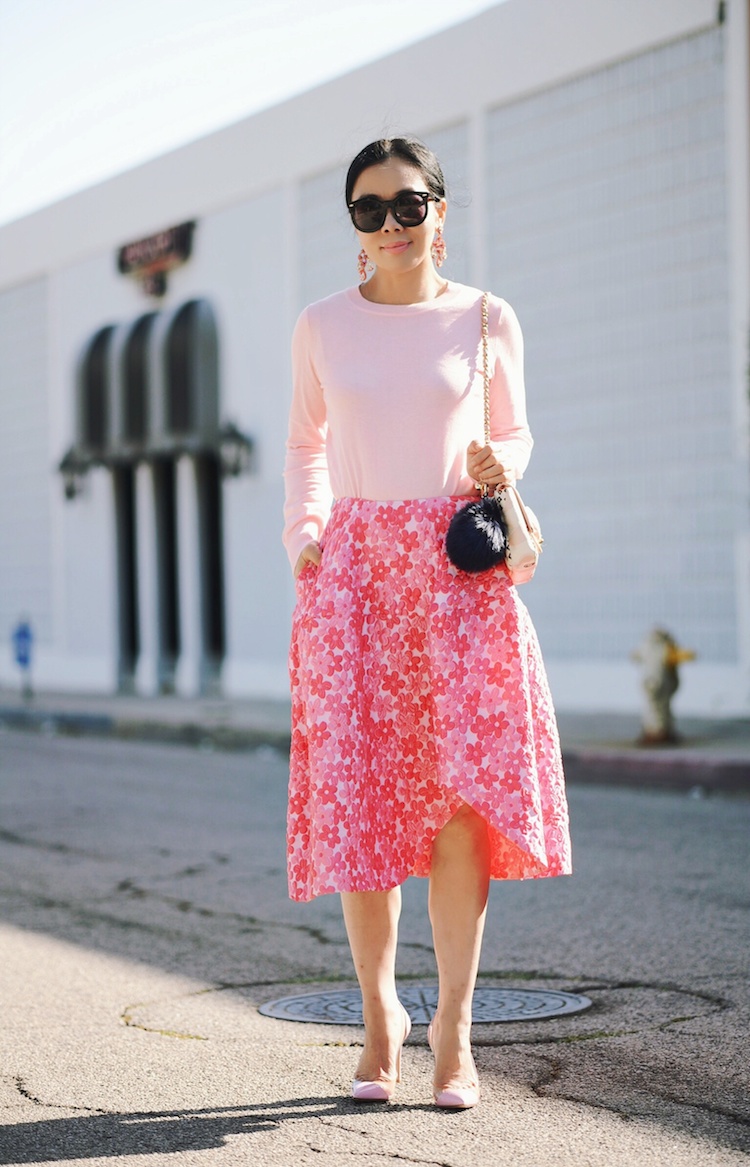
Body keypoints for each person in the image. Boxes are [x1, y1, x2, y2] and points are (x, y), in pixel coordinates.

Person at [283, 136, 571, 1110]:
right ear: (354, 227)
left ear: (441, 211)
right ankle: (379, 1018)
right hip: (356, 578)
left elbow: (516, 425)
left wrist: (504, 464)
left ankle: (453, 1025)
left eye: (408, 205)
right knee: (367, 804)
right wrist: (306, 535)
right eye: (370, 210)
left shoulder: (488, 318)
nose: (393, 225)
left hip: (456, 576)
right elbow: (304, 445)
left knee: (454, 809)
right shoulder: (322, 326)